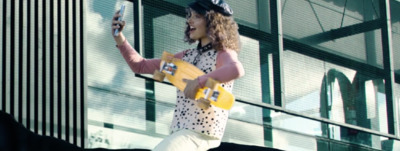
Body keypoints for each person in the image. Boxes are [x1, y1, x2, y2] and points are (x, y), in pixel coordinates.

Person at [111, 0, 244, 150]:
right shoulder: (184, 57)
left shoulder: (222, 53)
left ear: (214, 22)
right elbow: (140, 65)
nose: (190, 20)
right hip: (179, 133)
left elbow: (236, 70)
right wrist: (119, 38)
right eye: (189, 16)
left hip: (201, 135)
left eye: (197, 16)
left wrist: (199, 81)